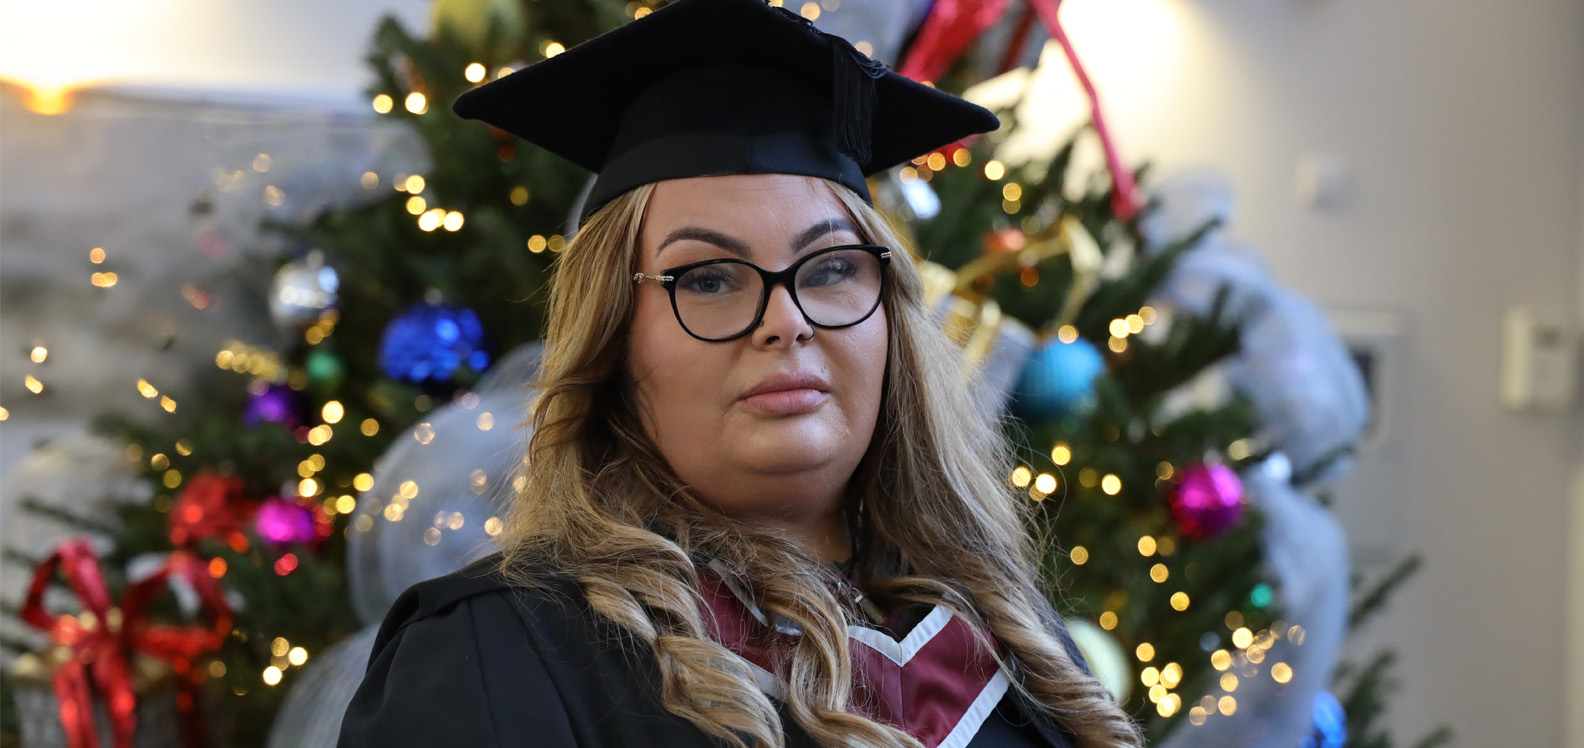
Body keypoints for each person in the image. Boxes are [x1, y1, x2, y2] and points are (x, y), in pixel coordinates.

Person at [338, 1, 1142, 746]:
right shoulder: (501, 655)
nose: (785, 319)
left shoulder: (1016, 646)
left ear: (892, 318)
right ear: (613, 340)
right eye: (709, 280)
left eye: (830, 268)